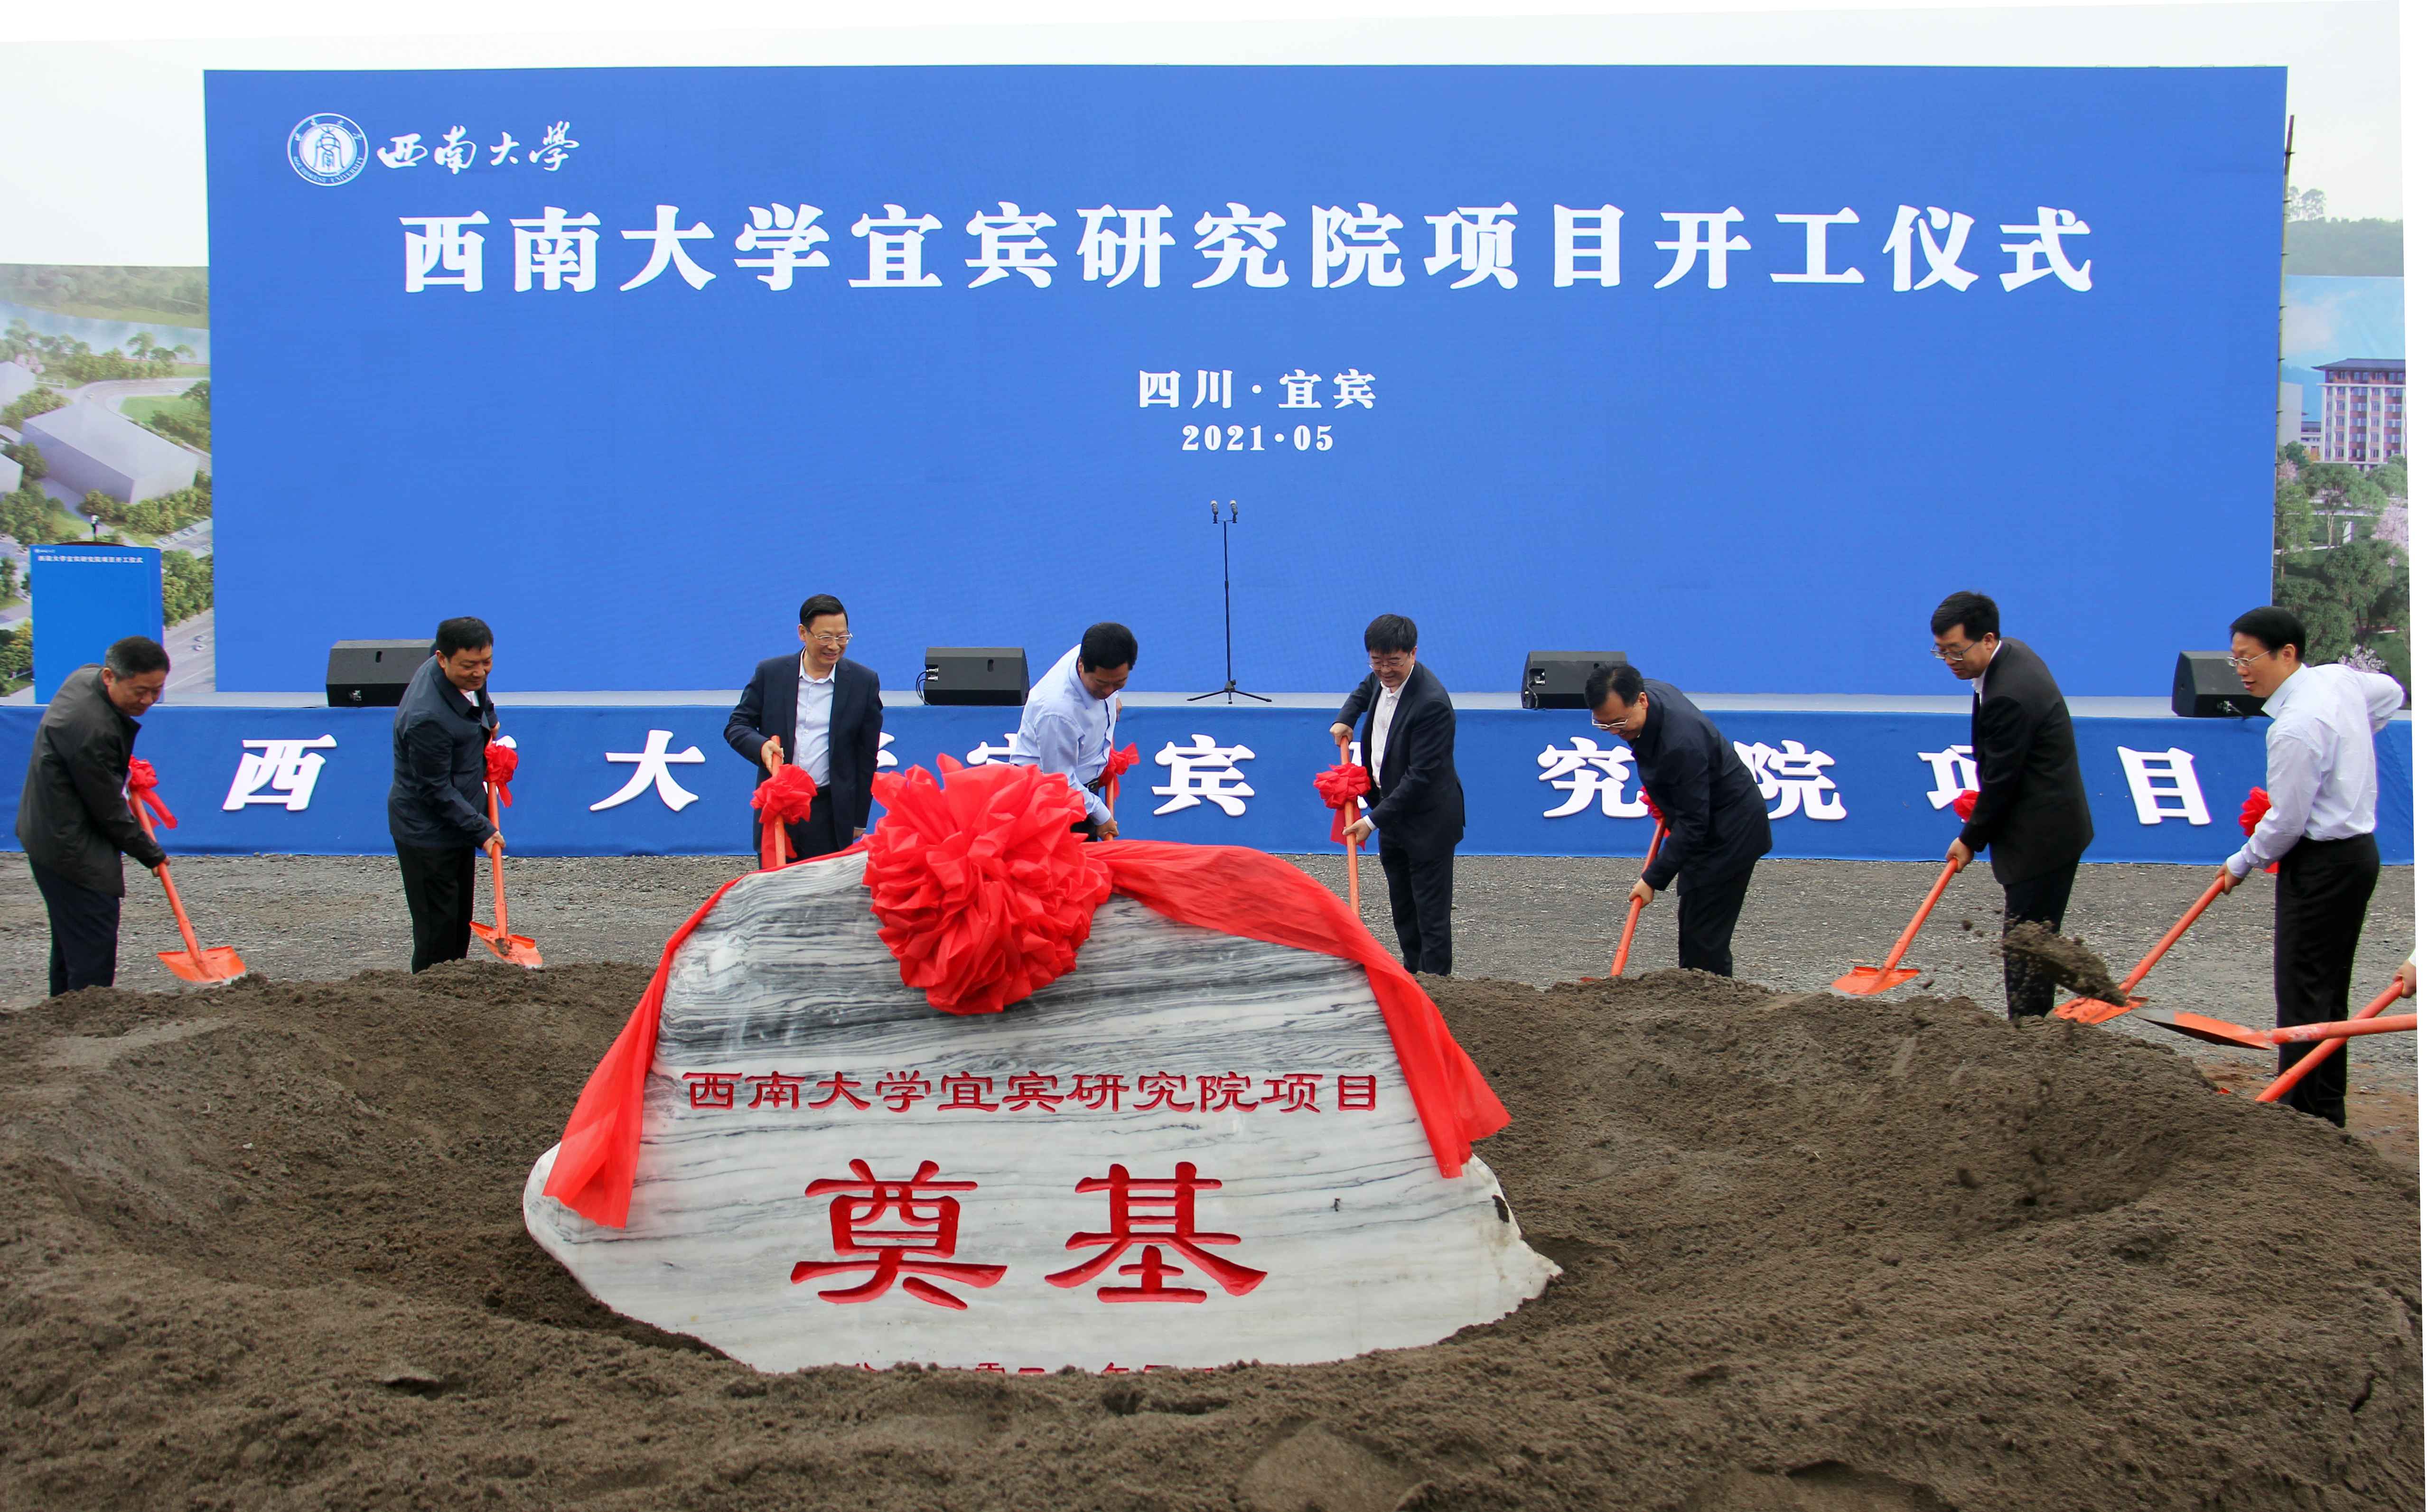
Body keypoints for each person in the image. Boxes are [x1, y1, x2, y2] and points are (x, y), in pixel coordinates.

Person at [2213, 605, 2405, 1126]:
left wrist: (2242, 862)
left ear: (2287, 653)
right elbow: (2390, 693)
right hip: (2357, 857)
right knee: (2328, 990)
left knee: (2303, 992)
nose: (2242, 671)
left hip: (2322, 862)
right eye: (2235, 661)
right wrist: (2355, 735)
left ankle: (2301, 1118)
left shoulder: (2296, 726)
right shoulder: (2338, 680)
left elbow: (2287, 821)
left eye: (2248, 659)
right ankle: (2323, 1109)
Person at [1930, 590, 2095, 1019]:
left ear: (1988, 639)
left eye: (1956, 650)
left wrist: (1970, 839)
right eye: (1941, 651)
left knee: (2026, 942)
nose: (1949, 660)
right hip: (2046, 818)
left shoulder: (2010, 693)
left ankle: (2029, 1033)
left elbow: (2003, 782)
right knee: (2033, 939)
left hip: (2043, 837)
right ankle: (2034, 1025)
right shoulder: (2009, 657)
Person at [1585, 663, 1770, 977]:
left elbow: (1694, 824)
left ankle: (1714, 999)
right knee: (1697, 928)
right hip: (1704, 813)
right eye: (1605, 726)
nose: (1615, 732)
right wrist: (1664, 796)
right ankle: (1702, 989)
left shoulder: (1680, 744)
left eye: (1619, 723)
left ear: (1642, 700)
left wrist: (1651, 880)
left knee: (1704, 937)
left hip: (1730, 834)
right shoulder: (1647, 699)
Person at [16, 635, 171, 994]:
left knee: (71, 938)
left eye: (157, 690)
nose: (148, 700)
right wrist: (150, 853)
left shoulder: (83, 678)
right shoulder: (91, 730)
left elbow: (96, 772)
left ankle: (61, 1014)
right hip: (68, 845)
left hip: (45, 828)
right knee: (92, 942)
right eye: (140, 692)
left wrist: (119, 767)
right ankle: (86, 1020)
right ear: (109, 677)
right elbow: (109, 811)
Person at [1331, 614, 1464, 976]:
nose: (1385, 671)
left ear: (1413, 654)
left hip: (1427, 823)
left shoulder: (1431, 703)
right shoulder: (1380, 679)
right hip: (1390, 815)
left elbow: (1421, 778)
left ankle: (1437, 988)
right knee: (1404, 910)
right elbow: (1365, 688)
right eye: (1377, 661)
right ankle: (1412, 977)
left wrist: (1371, 822)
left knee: (1430, 916)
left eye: (1394, 662)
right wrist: (1347, 717)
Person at [725, 593, 884, 858]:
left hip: (830, 809)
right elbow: (737, 725)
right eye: (825, 637)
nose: (834, 646)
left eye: (842, 637)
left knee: (826, 884)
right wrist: (761, 746)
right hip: (779, 806)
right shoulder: (771, 674)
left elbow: (867, 755)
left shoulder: (863, 682)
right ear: (803, 633)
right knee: (777, 882)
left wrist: (859, 818)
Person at [388, 616, 502, 972]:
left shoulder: (467, 673)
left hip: (457, 821)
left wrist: (490, 723)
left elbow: (480, 697)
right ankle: (427, 993)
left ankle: (454, 986)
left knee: (458, 922)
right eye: (469, 666)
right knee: (438, 932)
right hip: (427, 833)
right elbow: (434, 789)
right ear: (442, 659)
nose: (479, 672)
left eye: (486, 662)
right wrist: (482, 830)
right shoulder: (427, 718)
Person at [1008, 623, 1134, 840]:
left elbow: (1108, 684)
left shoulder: (1093, 652)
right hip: (1052, 806)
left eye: (1119, 683)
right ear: (1082, 665)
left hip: (1078, 792)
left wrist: (1112, 697)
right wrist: (1101, 815)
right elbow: (1060, 782)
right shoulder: (1058, 713)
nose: (1108, 691)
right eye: (1102, 684)